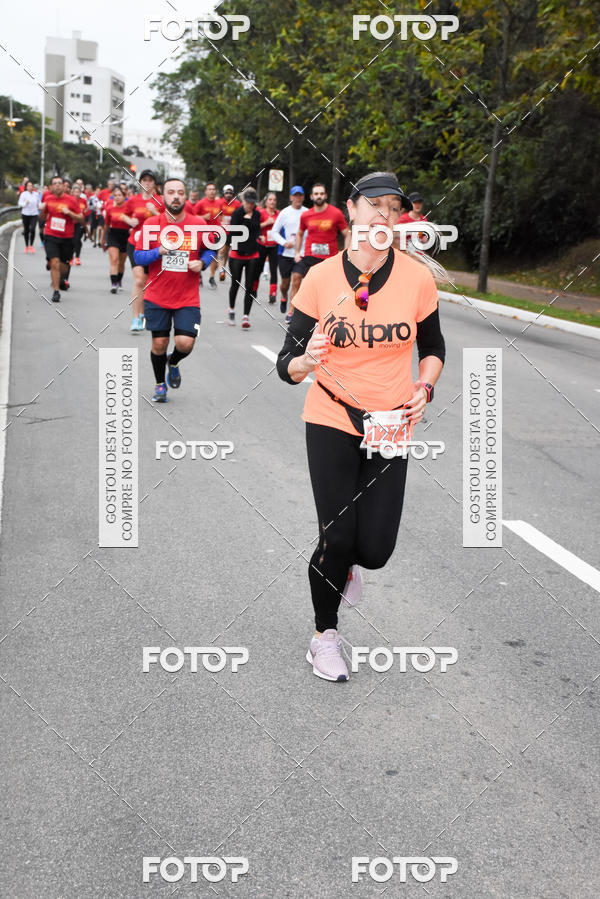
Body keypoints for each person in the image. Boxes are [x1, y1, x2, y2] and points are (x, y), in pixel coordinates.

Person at [276, 171, 445, 682]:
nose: (382, 216)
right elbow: (286, 365)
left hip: (391, 422)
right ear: (352, 211)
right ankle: (324, 635)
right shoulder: (322, 278)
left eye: (393, 209)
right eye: (373, 205)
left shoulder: (417, 279)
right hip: (330, 415)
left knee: (374, 549)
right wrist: (307, 360)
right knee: (337, 535)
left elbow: (433, 349)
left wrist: (425, 388)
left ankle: (348, 565)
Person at [134, 178, 206, 403]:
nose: (176, 196)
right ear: (162, 196)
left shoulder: (199, 225)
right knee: (159, 343)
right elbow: (138, 256)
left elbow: (211, 251)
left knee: (185, 342)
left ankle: (173, 362)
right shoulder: (151, 224)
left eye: (180, 192)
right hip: (158, 295)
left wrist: (202, 263)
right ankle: (159, 384)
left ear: (186, 196)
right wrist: (159, 251)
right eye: (171, 192)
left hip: (187, 296)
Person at [290, 183, 348, 322]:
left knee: (328, 288)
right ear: (311, 196)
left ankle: (327, 314)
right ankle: (292, 311)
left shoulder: (336, 213)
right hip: (310, 255)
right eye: (316, 194)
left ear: (325, 195)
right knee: (296, 277)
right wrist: (297, 252)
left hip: (329, 258)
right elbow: (299, 233)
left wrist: (345, 252)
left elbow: (347, 233)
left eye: (321, 193)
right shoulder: (306, 215)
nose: (319, 196)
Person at [123, 170, 164, 331]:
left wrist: (154, 212)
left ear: (154, 183)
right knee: (139, 279)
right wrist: (129, 220)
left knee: (150, 282)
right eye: (144, 180)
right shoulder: (133, 200)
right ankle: (135, 319)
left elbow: (170, 221)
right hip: (136, 243)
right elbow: (123, 214)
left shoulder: (161, 201)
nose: (147, 183)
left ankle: (144, 312)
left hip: (156, 246)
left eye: (150, 180)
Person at [39, 175, 84, 302]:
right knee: (55, 262)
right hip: (51, 235)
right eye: (55, 183)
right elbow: (43, 217)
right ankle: (56, 291)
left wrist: (69, 213)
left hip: (67, 238)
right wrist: (42, 211)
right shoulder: (48, 199)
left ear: (63, 186)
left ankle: (58, 276)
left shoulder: (71, 200)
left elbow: (81, 218)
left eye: (60, 183)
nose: (58, 185)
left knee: (63, 266)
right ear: (52, 187)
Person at [226, 188, 262, 329]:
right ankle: (232, 309)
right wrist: (246, 222)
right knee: (235, 283)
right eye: (248, 203)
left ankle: (246, 316)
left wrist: (249, 221)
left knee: (250, 286)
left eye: (253, 203)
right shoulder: (237, 213)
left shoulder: (257, 214)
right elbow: (234, 234)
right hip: (237, 254)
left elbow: (256, 230)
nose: (250, 206)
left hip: (252, 254)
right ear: (243, 201)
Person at [270, 187, 307, 317]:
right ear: (291, 197)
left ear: (303, 197)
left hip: (301, 253)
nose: (297, 198)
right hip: (285, 253)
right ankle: (284, 295)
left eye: (300, 195)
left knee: (296, 280)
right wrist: (284, 242)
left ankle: (291, 312)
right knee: (285, 284)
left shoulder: (307, 213)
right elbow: (274, 232)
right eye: (295, 196)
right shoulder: (285, 213)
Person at [194, 182, 223, 289]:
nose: (212, 191)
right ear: (206, 191)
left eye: (213, 189)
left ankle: (211, 277)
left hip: (215, 233)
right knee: (199, 254)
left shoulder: (219, 203)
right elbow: (193, 216)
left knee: (214, 255)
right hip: (203, 233)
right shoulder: (201, 203)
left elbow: (221, 215)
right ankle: (199, 275)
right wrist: (202, 217)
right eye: (209, 189)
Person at [101, 185, 130, 292]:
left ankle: (119, 280)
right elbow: (106, 225)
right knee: (114, 260)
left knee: (122, 262)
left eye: (119, 195)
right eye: (115, 196)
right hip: (113, 234)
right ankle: (113, 284)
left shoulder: (128, 209)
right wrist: (103, 239)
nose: (117, 197)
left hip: (126, 235)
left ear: (124, 196)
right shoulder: (110, 209)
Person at [256, 191, 279, 303]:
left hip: (274, 245)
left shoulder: (279, 214)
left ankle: (273, 293)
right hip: (262, 245)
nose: (272, 202)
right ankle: (254, 290)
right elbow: (255, 226)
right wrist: (266, 223)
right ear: (266, 201)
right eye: (270, 200)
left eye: (274, 200)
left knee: (273, 270)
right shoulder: (261, 213)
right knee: (259, 269)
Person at [217, 184, 241, 281]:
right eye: (226, 192)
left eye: (230, 192)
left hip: (232, 231)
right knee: (221, 250)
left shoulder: (237, 204)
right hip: (221, 231)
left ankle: (223, 267)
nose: (228, 194)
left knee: (226, 252)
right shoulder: (219, 202)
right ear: (223, 193)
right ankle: (221, 271)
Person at [18, 180, 40, 253]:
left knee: (33, 229)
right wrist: (25, 203)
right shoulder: (24, 194)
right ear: (26, 187)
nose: (30, 187)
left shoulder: (36, 194)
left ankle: (31, 245)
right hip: (25, 214)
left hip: (34, 214)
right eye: (28, 186)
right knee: (26, 230)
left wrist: (40, 206)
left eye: (31, 186)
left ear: (33, 187)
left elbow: (39, 203)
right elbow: (20, 203)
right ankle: (27, 246)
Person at [71, 184, 88, 265]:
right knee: (72, 240)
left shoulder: (83, 200)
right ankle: (71, 256)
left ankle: (77, 257)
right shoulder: (70, 200)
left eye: (78, 192)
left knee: (77, 240)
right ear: (72, 192)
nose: (77, 193)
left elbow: (85, 210)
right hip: (71, 223)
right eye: (75, 192)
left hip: (80, 223)